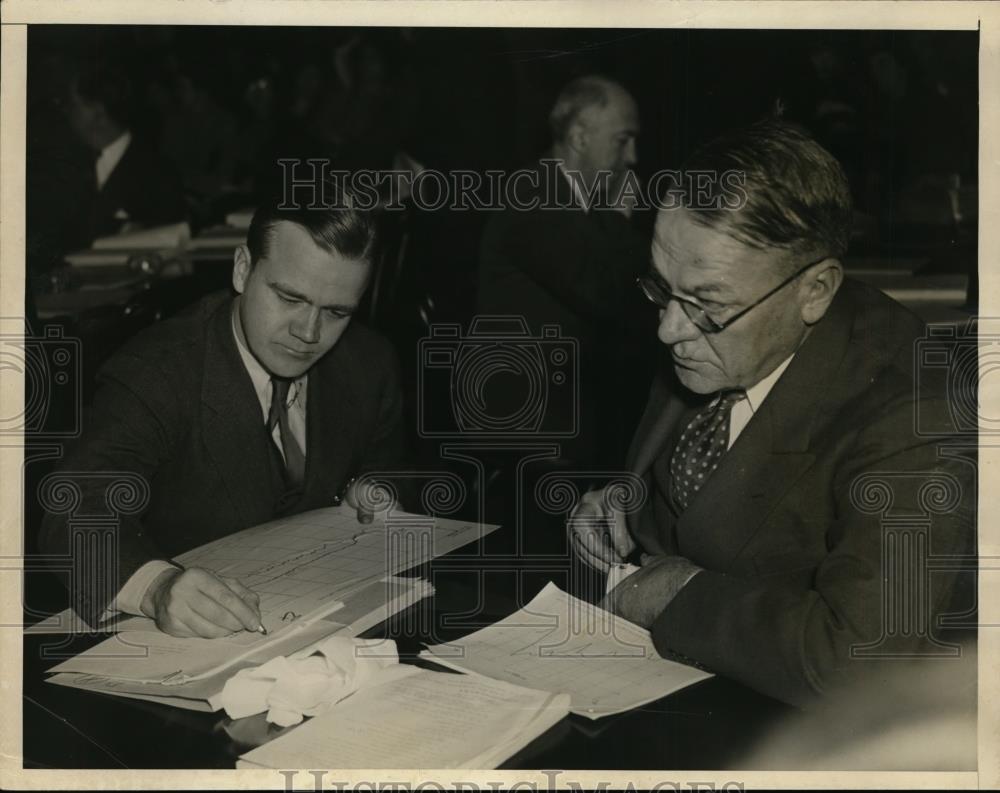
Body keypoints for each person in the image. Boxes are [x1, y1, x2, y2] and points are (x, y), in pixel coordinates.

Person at [567, 119, 974, 706]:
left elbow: (858, 662)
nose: (667, 329)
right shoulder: (720, 328)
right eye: (660, 290)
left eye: (706, 306)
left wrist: (675, 592)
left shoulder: (915, 414)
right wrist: (628, 506)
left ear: (815, 291)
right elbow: (718, 489)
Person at [39, 188, 406, 638]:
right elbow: (73, 514)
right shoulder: (158, 371)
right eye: (290, 298)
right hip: (189, 643)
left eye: (336, 311)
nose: (308, 333)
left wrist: (368, 490)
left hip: (324, 622)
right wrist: (158, 588)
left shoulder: (369, 362)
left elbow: (388, 464)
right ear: (242, 269)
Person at [476, 75, 655, 469]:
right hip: (526, 411)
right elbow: (609, 295)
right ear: (578, 138)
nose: (633, 158)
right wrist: (621, 217)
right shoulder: (532, 197)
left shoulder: (576, 201)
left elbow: (642, 276)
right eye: (623, 140)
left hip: (566, 392)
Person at [65, 58, 187, 240]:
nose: (67, 112)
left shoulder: (156, 171)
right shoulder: (70, 163)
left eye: (74, 105)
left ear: (98, 112)